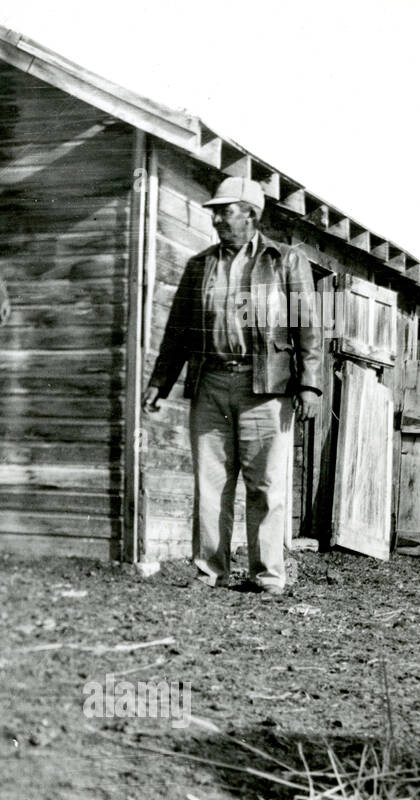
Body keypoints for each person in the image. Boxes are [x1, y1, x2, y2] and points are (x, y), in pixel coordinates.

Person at [142, 176, 322, 596]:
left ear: (251, 215)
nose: (217, 219)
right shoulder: (199, 266)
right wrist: (160, 383)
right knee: (210, 483)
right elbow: (178, 334)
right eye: (215, 212)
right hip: (211, 384)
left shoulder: (285, 261)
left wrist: (310, 385)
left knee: (266, 485)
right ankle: (209, 571)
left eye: (225, 211)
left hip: (265, 388)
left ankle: (267, 575)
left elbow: (309, 327)